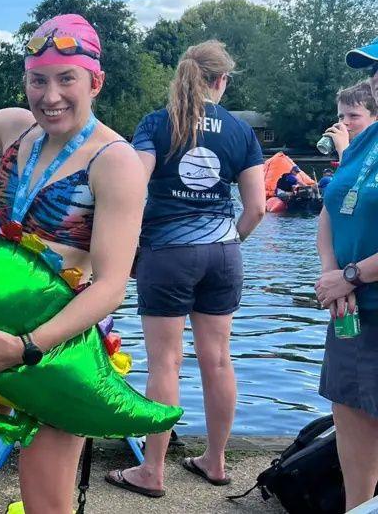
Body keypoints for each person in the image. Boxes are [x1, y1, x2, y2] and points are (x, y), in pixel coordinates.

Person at [0, 14, 145, 513]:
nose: (50, 95)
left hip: (59, 350)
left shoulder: (115, 162)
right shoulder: (17, 128)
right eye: (38, 80)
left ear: (95, 81)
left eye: (67, 79)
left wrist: (25, 348)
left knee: (46, 505)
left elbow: (109, 287)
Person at [108, 40, 265, 498]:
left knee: (166, 363)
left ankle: (151, 471)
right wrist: (227, 239)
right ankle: (215, 462)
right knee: (218, 359)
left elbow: (131, 190)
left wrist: (125, 250)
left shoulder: (157, 123)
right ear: (222, 81)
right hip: (224, 253)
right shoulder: (240, 131)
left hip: (167, 253)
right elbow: (255, 208)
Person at [313, 36, 378, 512]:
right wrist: (333, 274)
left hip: (360, 292)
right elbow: (330, 210)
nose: (376, 78)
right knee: (352, 426)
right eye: (374, 69)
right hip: (353, 311)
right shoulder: (366, 141)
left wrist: (352, 275)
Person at [323, 80, 378, 161]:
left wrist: (344, 152)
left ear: (376, 118)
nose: (343, 123)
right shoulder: (359, 151)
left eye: (353, 116)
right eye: (341, 117)